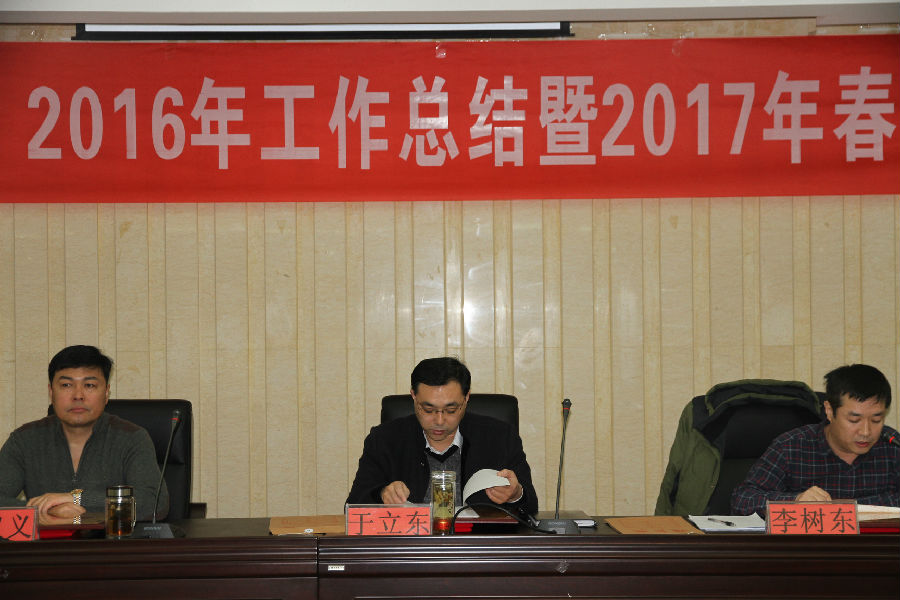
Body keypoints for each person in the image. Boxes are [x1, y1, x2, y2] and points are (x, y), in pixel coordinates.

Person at [346, 356, 538, 516]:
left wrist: (515, 494)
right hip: (409, 546)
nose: (439, 420)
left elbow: (531, 508)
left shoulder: (500, 437)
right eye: (428, 409)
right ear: (413, 396)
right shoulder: (384, 439)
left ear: (466, 398)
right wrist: (382, 494)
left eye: (451, 410)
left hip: (478, 546)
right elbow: (353, 505)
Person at [0, 345, 167, 525]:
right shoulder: (25, 440)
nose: (78, 395)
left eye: (89, 385)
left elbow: (155, 502)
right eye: (66, 385)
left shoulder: (132, 438)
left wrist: (77, 499)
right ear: (51, 392)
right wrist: (50, 510)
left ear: (106, 393)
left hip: (110, 542)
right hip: (46, 543)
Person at [732, 363, 899, 515]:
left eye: (876, 420)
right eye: (854, 420)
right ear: (829, 411)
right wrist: (794, 501)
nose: (866, 432)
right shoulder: (791, 446)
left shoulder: (893, 446)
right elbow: (742, 500)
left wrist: (848, 508)